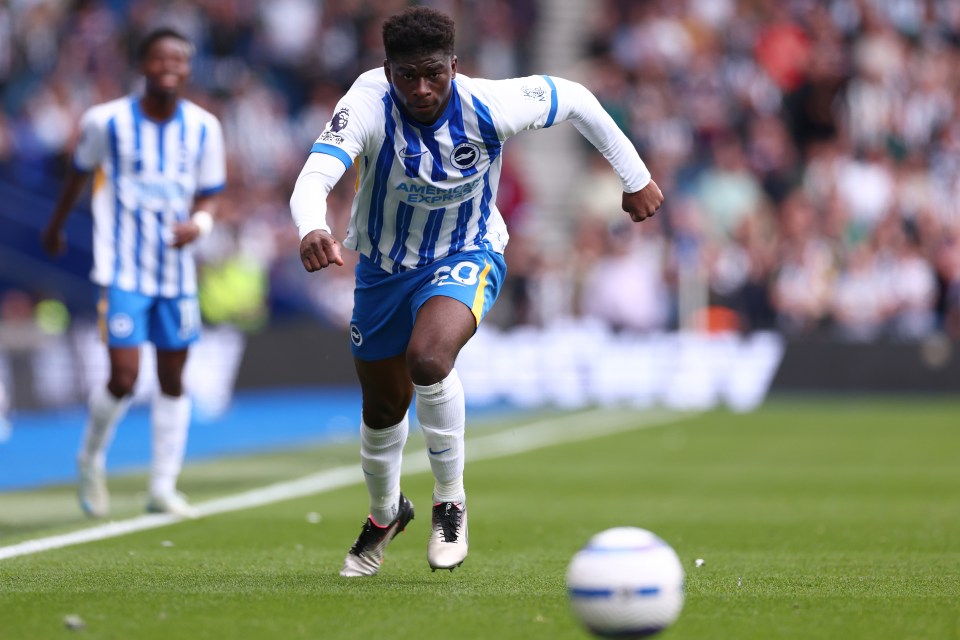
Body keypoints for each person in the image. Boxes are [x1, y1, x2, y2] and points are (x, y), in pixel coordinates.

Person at [289, 6, 662, 577]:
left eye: (434, 73)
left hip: (467, 252)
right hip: (383, 270)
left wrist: (634, 177)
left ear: (454, 67)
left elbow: (580, 99)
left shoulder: (490, 104)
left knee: (430, 358)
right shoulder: (365, 102)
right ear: (387, 71)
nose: (421, 88)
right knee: (383, 408)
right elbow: (314, 175)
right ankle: (386, 514)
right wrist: (312, 226)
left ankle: (450, 502)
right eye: (407, 74)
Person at [41, 27, 226, 519]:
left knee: (172, 378)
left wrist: (201, 222)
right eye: (161, 59)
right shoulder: (107, 122)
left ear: (189, 69)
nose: (171, 68)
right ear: (142, 65)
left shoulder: (205, 127)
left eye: (180, 61)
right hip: (122, 268)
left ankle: (162, 486)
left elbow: (210, 190)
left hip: (177, 274)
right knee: (124, 376)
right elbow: (78, 173)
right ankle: (90, 458)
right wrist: (56, 226)